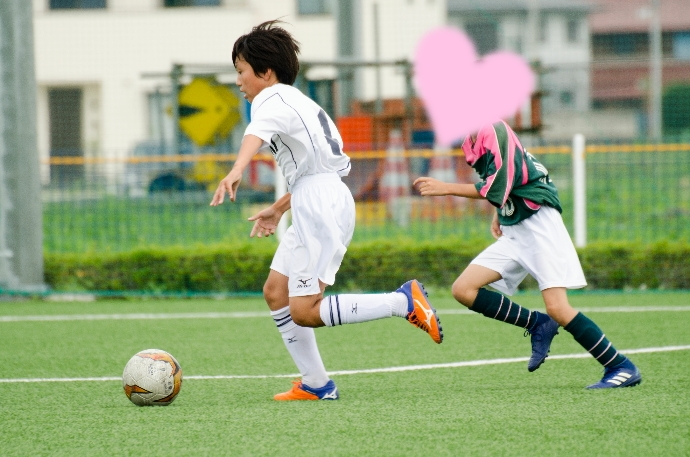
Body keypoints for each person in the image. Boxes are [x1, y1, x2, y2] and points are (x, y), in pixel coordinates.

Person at [210, 20, 443, 401]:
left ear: (265, 73)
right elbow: (318, 171)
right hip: (319, 197)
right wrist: (279, 208)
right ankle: (316, 383)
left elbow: (255, 135)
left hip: (318, 204)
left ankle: (402, 301)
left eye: (241, 71)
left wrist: (237, 169)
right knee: (276, 291)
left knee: (304, 309)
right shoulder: (299, 102)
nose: (238, 82)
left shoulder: (270, 98)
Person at [413, 120, 641, 389]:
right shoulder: (470, 140)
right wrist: (500, 211)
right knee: (463, 289)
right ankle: (537, 324)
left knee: (558, 308)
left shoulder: (493, 129)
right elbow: (503, 179)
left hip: (539, 225)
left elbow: (499, 183)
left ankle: (620, 366)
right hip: (515, 229)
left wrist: (446, 187)